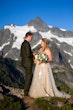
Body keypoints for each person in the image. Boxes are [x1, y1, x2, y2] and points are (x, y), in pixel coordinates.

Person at [20, 32, 33, 96]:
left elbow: (22, 54)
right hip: (28, 63)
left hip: (24, 63)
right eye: (31, 37)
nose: (32, 38)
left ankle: (26, 91)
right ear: (28, 36)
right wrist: (33, 54)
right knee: (29, 77)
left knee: (28, 76)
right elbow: (28, 54)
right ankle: (26, 92)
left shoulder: (23, 43)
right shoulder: (27, 44)